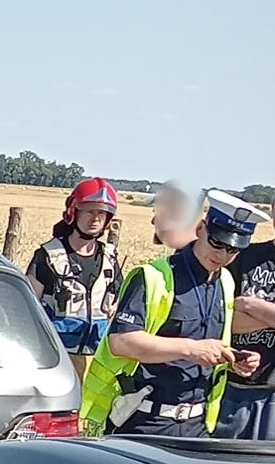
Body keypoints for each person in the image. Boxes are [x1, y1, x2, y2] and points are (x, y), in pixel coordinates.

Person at [81, 189, 264, 436]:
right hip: (145, 420)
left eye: (233, 250)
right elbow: (121, 342)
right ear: (201, 229)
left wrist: (233, 359)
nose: (222, 255)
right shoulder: (153, 277)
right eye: (217, 243)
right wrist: (192, 349)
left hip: (198, 424)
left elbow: (207, 344)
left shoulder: (226, 283)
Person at [27, 178, 124, 375]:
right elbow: (27, 307)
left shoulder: (110, 258)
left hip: (98, 361)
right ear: (74, 211)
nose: (95, 218)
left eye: (101, 212)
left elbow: (118, 303)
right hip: (56, 358)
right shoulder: (48, 256)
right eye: (90, 210)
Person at [209, 190, 275, 439]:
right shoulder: (243, 256)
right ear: (272, 210)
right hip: (229, 387)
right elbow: (221, 319)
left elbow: (236, 309)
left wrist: (249, 305)